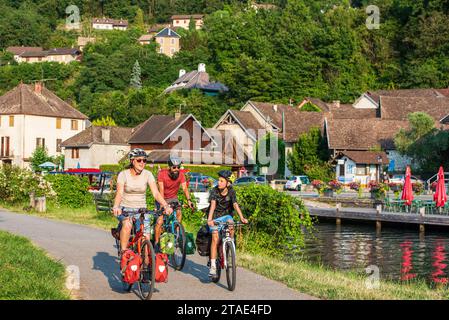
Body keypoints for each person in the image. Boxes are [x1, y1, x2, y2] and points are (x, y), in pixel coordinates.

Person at [112, 148, 173, 255]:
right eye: (139, 160)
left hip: (142, 210)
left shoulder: (148, 174)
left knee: (146, 236)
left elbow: (156, 193)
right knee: (127, 224)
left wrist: (165, 205)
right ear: (132, 161)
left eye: (144, 160)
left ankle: (147, 264)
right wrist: (116, 206)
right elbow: (119, 193)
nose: (142, 163)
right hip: (125, 209)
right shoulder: (123, 174)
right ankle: (124, 253)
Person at [207, 170, 248, 279]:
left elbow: (235, 205)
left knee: (231, 223)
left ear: (228, 183)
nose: (219, 183)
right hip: (215, 217)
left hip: (226, 216)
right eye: (218, 180)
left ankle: (230, 245)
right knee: (215, 238)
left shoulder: (231, 191)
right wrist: (210, 219)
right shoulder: (214, 191)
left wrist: (242, 217)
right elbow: (212, 205)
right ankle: (213, 266)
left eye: (221, 181)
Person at [153, 155, 194, 252]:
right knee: (159, 221)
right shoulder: (162, 174)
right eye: (174, 167)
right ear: (169, 167)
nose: (176, 169)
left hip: (173, 198)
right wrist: (163, 205)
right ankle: (156, 243)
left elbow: (184, 188)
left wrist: (189, 200)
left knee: (179, 213)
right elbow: (161, 190)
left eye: (178, 167)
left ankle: (176, 231)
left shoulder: (181, 175)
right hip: (162, 198)